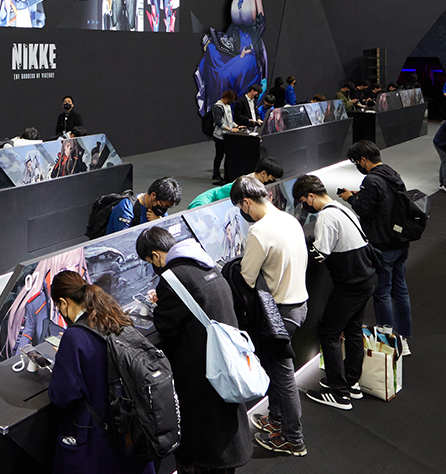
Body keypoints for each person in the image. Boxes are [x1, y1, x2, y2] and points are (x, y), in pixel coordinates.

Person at [136, 226, 251, 472]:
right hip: (228, 359)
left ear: (155, 256)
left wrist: (160, 305)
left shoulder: (173, 278)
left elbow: (165, 325)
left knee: (200, 443)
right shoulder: (205, 263)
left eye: (149, 261)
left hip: (201, 370)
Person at [47, 271, 156, 474]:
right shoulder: (115, 318)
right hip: (133, 435)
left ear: (63, 302)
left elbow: (63, 396)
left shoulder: (74, 337)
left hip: (99, 444)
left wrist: (63, 358)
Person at [237, 176, 310, 457]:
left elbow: (247, 278)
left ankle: (294, 439)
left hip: (279, 314)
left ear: (246, 202)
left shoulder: (259, 231)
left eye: (240, 207)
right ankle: (277, 420)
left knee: (283, 376)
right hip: (299, 306)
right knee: (278, 371)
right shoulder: (288, 219)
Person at [298, 184, 378, 411]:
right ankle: (351, 382)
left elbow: (320, 254)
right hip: (366, 279)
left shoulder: (326, 216)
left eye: (303, 201)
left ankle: (338, 393)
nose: (304, 206)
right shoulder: (343, 209)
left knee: (328, 332)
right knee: (353, 329)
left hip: (350, 284)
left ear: (310, 196)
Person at [338, 141, 413, 355]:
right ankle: (403, 338)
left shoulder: (370, 180)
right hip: (400, 240)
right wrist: (361, 195)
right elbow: (385, 201)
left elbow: (366, 211)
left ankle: (387, 341)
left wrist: (351, 198)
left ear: (363, 160)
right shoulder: (392, 173)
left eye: (356, 161)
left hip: (382, 244)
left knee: (382, 292)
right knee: (400, 289)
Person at [188, 157, 283, 209]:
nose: (273, 180)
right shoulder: (245, 185)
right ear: (263, 173)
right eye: (272, 178)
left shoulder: (254, 181)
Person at [104, 177, 181, 235]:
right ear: (153, 195)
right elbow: (123, 240)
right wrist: (155, 226)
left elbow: (169, 233)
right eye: (164, 206)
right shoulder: (126, 208)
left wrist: (159, 223)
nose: (165, 209)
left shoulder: (159, 211)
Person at [210, 89, 237, 182]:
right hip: (219, 136)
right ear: (226, 97)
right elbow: (218, 123)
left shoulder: (227, 106)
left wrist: (236, 125)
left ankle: (227, 173)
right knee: (219, 155)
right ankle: (216, 174)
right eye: (230, 99)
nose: (231, 102)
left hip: (227, 135)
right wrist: (230, 129)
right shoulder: (217, 107)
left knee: (226, 155)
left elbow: (229, 120)